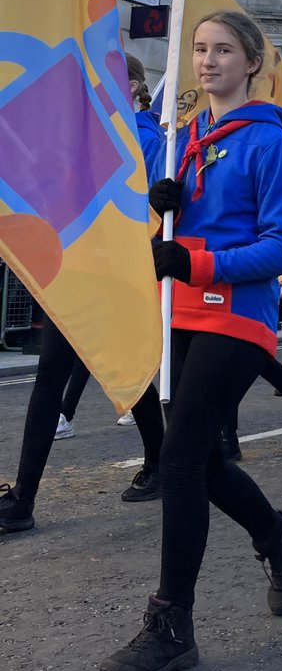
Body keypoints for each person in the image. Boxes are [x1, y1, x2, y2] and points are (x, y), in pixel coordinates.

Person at [99, 10, 282, 671]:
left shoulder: (272, 145)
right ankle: (278, 535)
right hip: (182, 314)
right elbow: (169, 242)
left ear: (253, 62)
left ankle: (171, 623)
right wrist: (162, 207)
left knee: (182, 458)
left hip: (239, 318)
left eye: (223, 49)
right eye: (199, 49)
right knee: (192, 458)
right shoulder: (184, 141)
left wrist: (191, 259)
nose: (208, 59)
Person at [0, 56, 169, 535]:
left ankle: (26, 499)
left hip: (117, 268)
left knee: (109, 368)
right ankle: (25, 498)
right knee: (63, 373)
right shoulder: (87, 129)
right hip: (80, 263)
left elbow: (148, 203)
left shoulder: (150, 136)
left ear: (133, 86)